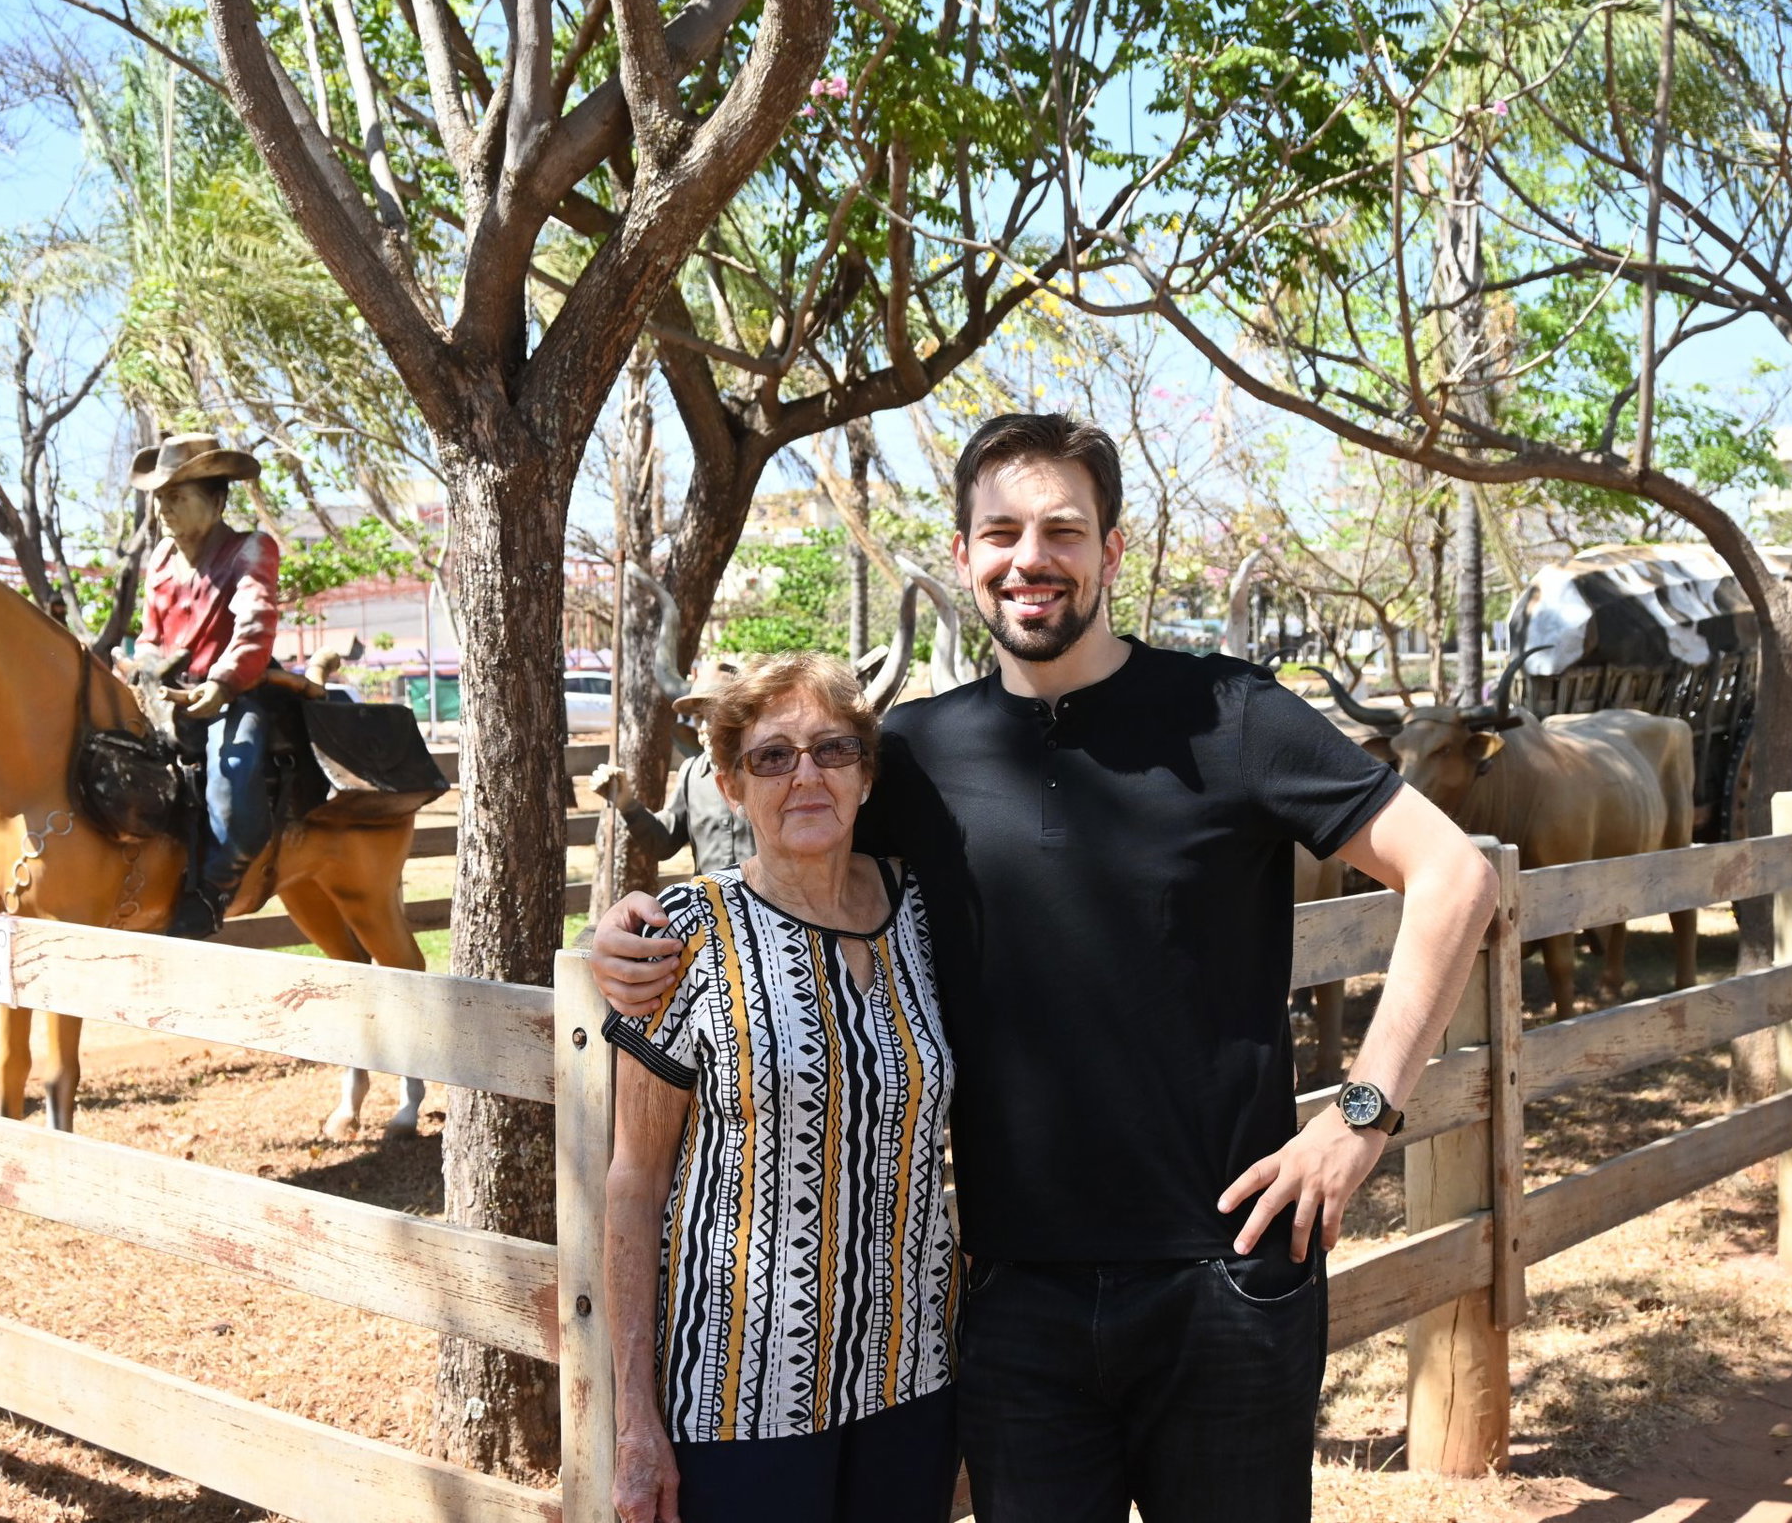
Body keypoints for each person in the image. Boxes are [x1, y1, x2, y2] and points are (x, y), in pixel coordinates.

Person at [593, 414, 1498, 1523]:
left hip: (1227, 1275)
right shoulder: (914, 756)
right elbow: (793, 855)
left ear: (1111, 550)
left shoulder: (1235, 715)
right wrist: (636, 926)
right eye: (1002, 532)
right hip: (1015, 1303)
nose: (1032, 557)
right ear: (965, 554)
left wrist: (1361, 1117)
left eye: (1063, 530)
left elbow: (1454, 875)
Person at [604, 652, 958, 1523]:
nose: (806, 775)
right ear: (729, 785)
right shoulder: (683, 935)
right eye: (771, 757)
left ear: (866, 776)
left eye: (833, 750)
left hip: (912, 1379)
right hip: (739, 1396)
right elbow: (634, 1183)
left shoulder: (926, 912)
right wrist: (635, 1419)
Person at [127, 432, 282, 939]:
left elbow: (254, 626)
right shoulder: (161, 560)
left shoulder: (250, 549)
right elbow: (150, 636)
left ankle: (213, 889)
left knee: (232, 774)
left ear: (216, 503)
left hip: (232, 692)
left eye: (177, 496)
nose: (163, 508)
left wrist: (222, 683)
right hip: (163, 696)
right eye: (160, 498)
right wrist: (145, 669)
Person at [588, 689, 757, 873]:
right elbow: (664, 843)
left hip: (765, 890)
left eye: (715, 715)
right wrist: (627, 803)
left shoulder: (761, 768)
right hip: (710, 891)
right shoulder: (691, 773)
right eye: (699, 717)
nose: (705, 726)